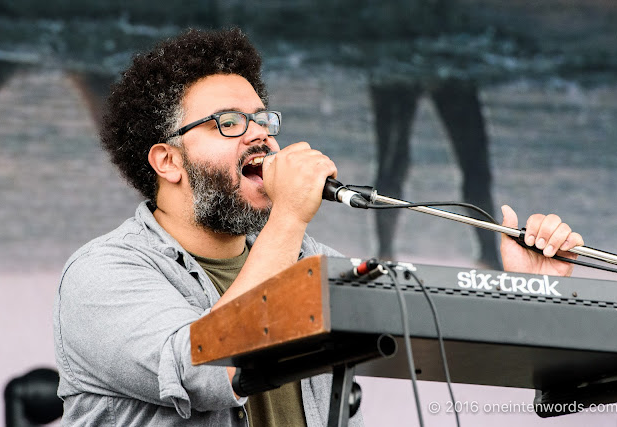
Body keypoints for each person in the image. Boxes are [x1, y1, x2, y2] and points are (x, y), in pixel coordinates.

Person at [52, 28, 585, 426]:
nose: (259, 135)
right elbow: (212, 369)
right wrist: (287, 215)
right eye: (230, 123)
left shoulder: (306, 258)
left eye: (264, 119)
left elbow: (446, 340)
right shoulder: (103, 273)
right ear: (167, 162)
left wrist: (531, 286)